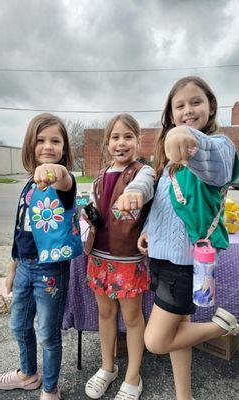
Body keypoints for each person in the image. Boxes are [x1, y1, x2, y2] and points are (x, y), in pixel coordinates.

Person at [118, 76, 239, 400]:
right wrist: (147, 232)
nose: (188, 109)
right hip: (160, 259)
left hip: (183, 266)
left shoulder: (219, 148)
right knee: (178, 333)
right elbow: (163, 206)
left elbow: (214, 164)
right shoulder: (170, 163)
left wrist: (187, 136)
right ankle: (184, 396)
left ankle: (223, 326)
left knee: (156, 340)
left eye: (195, 102)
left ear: (211, 106)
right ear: (170, 113)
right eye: (180, 105)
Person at [0, 113, 82, 400]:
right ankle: (28, 374)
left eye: (55, 141)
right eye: (41, 140)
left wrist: (58, 173)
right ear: (29, 145)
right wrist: (11, 269)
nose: (48, 146)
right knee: (18, 325)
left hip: (50, 272)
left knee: (47, 333)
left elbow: (66, 182)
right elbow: (19, 230)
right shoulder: (28, 185)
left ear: (64, 148)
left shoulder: (63, 184)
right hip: (23, 269)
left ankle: (50, 388)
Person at [84, 113, 154, 400]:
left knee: (133, 317)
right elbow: (93, 204)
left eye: (128, 136)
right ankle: (107, 367)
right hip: (98, 256)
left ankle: (133, 376)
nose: (121, 142)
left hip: (127, 260)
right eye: (115, 137)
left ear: (138, 141)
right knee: (105, 313)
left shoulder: (144, 172)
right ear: (107, 143)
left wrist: (134, 193)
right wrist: (87, 214)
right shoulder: (99, 176)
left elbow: (144, 189)